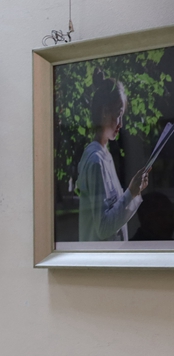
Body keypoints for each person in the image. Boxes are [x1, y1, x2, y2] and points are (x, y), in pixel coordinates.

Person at [77, 70, 150, 242]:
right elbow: (103, 228)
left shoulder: (104, 155)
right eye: (118, 115)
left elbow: (112, 212)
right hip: (100, 257)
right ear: (104, 112)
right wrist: (131, 193)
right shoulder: (96, 161)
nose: (121, 124)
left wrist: (134, 191)